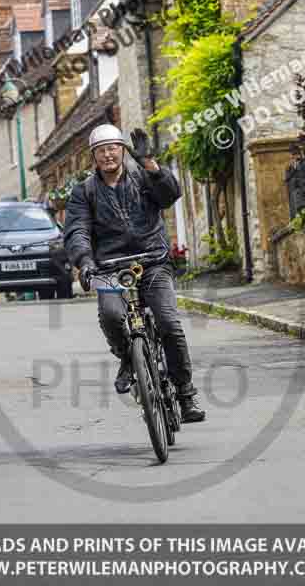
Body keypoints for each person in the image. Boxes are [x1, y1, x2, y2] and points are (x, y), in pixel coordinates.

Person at [64, 124, 206, 423]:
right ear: (94, 156)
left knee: (168, 323)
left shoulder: (142, 176)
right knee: (112, 316)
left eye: (113, 147)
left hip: (153, 260)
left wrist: (152, 165)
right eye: (101, 150)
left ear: (123, 150)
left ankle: (185, 392)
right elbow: (77, 230)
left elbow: (170, 196)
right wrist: (85, 261)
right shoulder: (84, 192)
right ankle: (129, 358)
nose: (108, 154)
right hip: (109, 267)